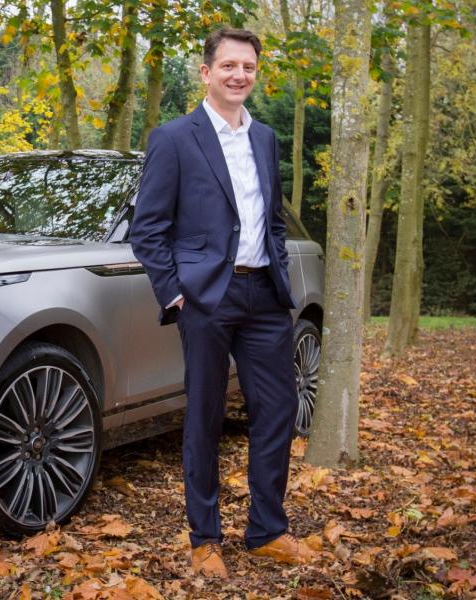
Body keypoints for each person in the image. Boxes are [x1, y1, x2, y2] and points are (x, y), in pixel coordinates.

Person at [130, 28, 315, 578]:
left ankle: (267, 531)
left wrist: (279, 275)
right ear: (206, 72)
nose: (239, 75)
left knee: (277, 414)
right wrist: (176, 294)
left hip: (264, 297)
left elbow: (272, 222)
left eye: (249, 67)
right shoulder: (173, 138)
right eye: (229, 66)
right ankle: (204, 538)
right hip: (206, 298)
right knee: (205, 419)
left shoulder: (266, 139)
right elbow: (148, 229)